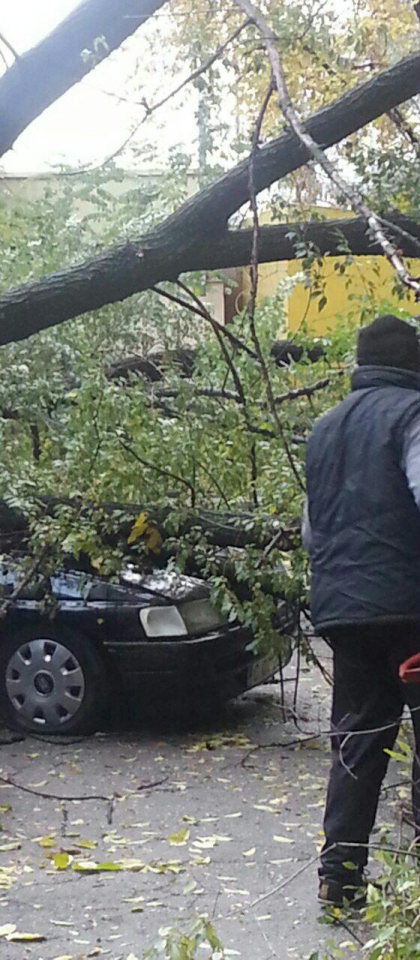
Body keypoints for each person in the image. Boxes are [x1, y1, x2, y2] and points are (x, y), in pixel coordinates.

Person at [304, 314, 420, 908]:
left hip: (342, 613)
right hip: (410, 613)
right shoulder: (413, 415)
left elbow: (311, 529)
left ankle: (340, 880)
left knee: (357, 742)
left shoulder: (323, 430)